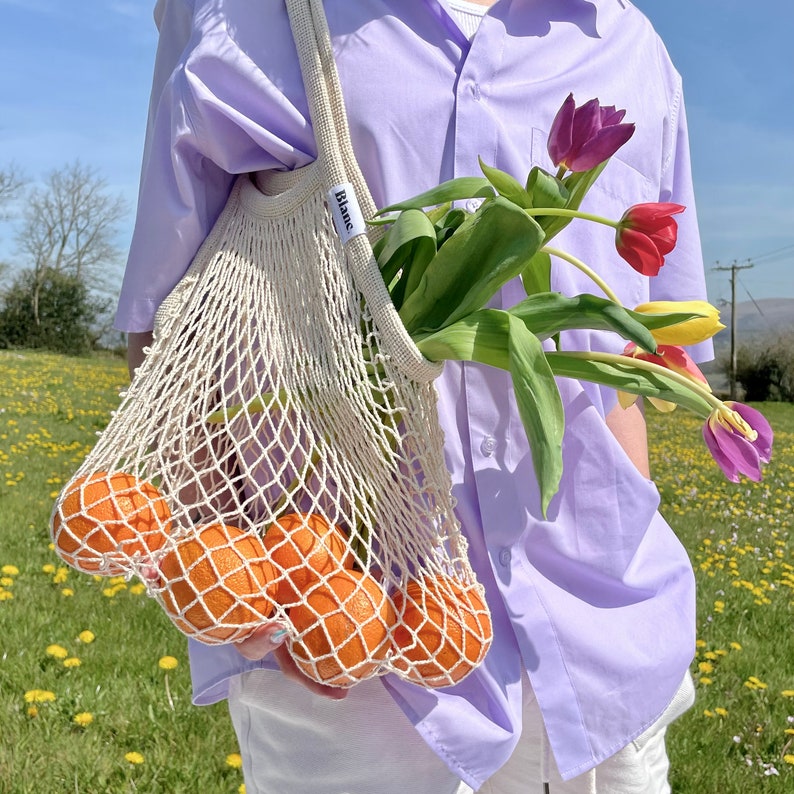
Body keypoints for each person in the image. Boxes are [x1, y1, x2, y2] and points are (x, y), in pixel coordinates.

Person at [117, 1, 713, 791]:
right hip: (349, 639)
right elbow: (167, 326)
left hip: (604, 644)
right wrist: (235, 576)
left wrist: (636, 514)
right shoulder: (244, 10)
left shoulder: (631, 46)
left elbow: (632, 367)